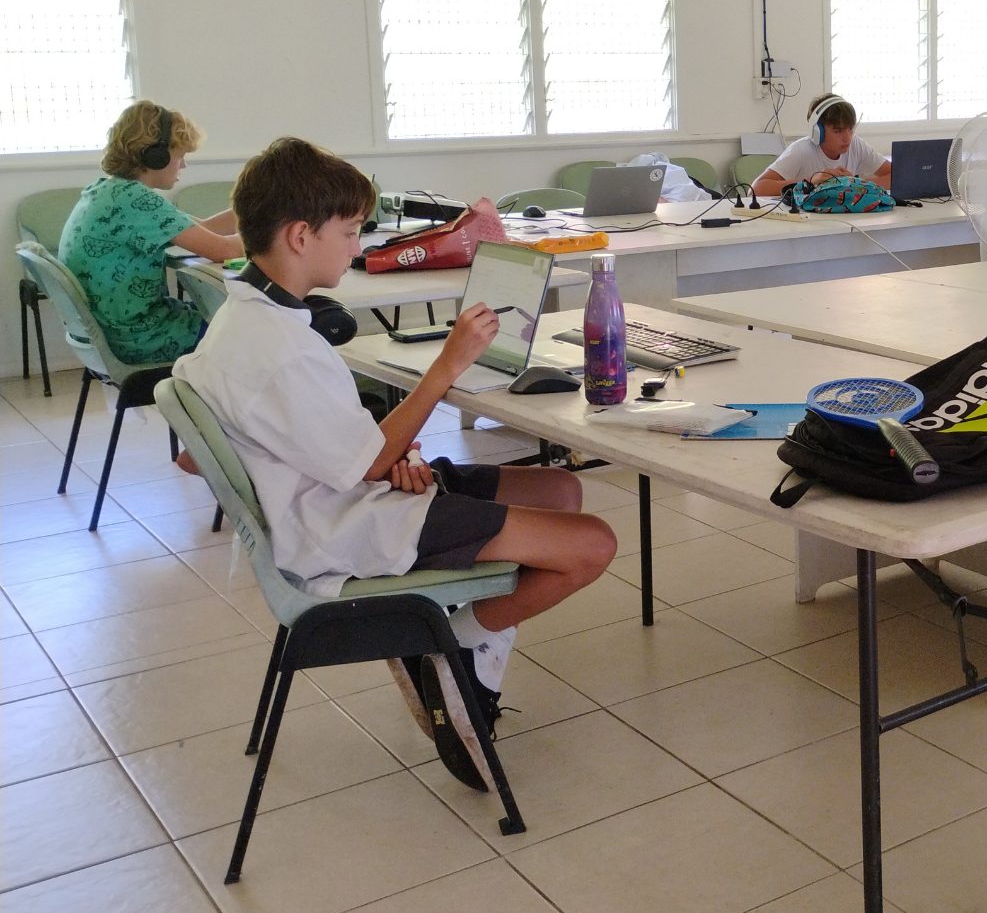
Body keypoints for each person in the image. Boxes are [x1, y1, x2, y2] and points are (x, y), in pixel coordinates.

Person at [172, 137, 617, 791]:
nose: (357, 247)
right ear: (301, 236)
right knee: (592, 546)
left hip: (340, 495)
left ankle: (455, 645)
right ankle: (458, 649)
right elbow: (367, 462)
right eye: (350, 232)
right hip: (343, 527)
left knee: (556, 489)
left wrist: (384, 457)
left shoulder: (241, 320)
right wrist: (449, 365)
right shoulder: (281, 348)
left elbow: (193, 456)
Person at [59, 100, 243, 364]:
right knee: (251, 330)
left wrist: (259, 209)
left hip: (118, 334)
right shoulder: (136, 201)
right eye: (180, 156)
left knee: (236, 320)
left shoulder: (110, 192)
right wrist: (276, 231)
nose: (183, 166)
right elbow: (224, 249)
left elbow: (204, 229)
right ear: (155, 156)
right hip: (143, 338)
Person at [751, 93, 891, 197]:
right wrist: (809, 183)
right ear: (818, 132)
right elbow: (756, 189)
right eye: (838, 131)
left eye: (850, 129)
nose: (847, 138)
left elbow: (896, 176)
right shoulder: (801, 150)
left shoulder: (856, 145)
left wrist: (857, 183)